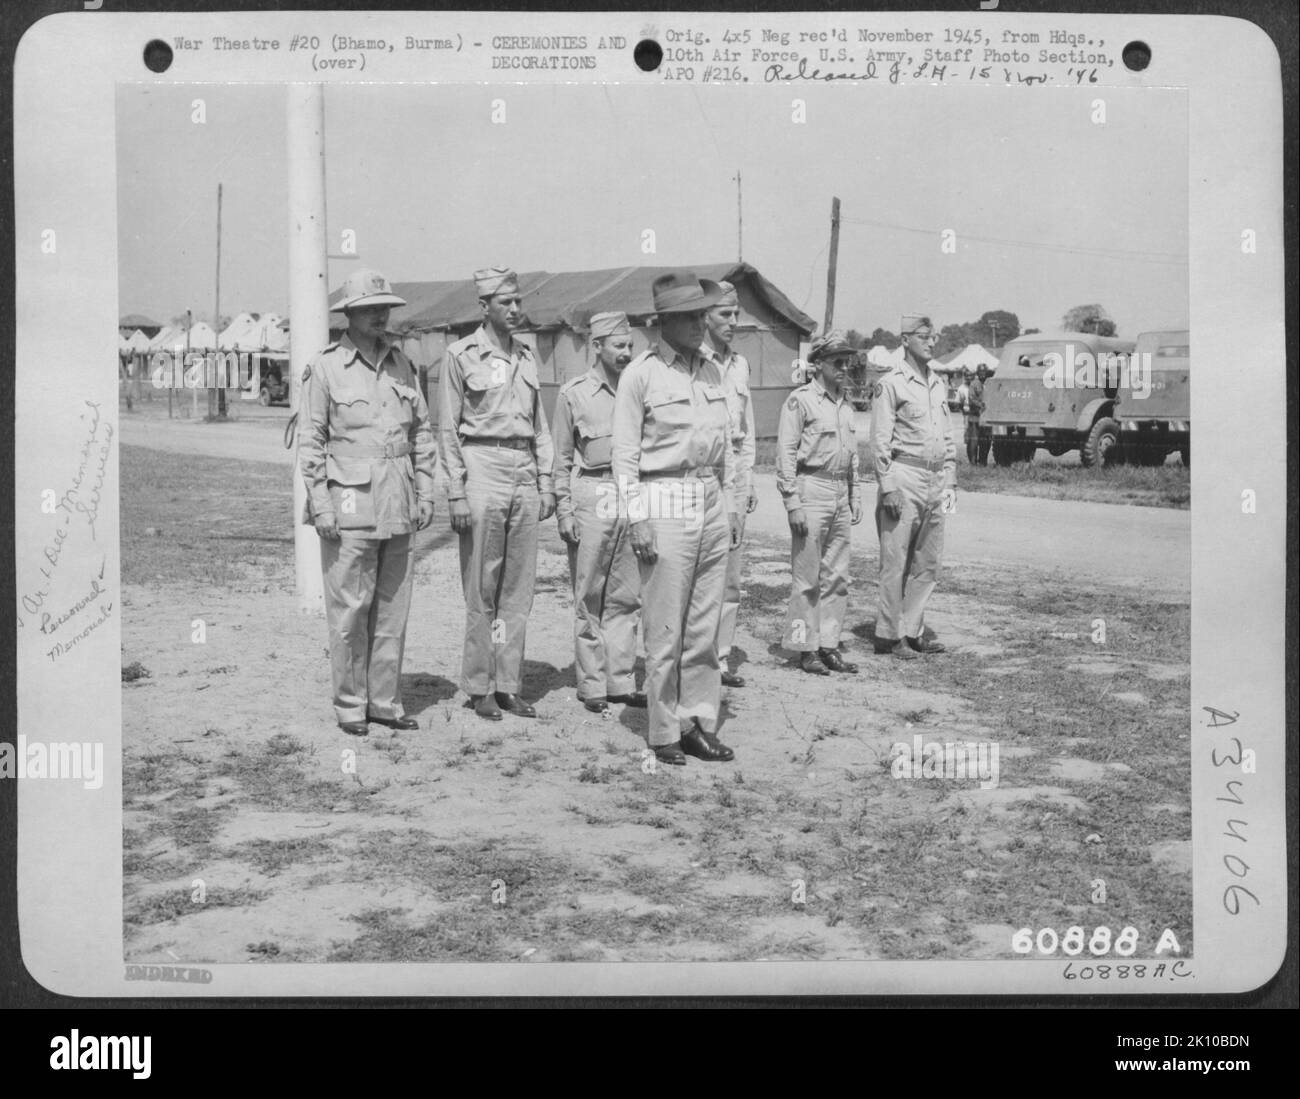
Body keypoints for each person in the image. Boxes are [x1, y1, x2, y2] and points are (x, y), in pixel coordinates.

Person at [298, 268, 437, 735]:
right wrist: (321, 505)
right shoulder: (325, 367)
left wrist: (425, 491)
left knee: (392, 607)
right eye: (372, 309)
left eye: (386, 308)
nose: (381, 316)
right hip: (350, 500)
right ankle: (350, 705)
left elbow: (421, 435)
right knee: (350, 608)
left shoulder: (402, 365)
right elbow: (312, 443)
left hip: (398, 498)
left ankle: (384, 701)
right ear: (350, 315)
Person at [611, 271, 741, 766]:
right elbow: (624, 455)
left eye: (699, 314)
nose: (698, 323)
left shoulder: (712, 370)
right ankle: (664, 728)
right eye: (687, 316)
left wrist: (726, 506)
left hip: (707, 492)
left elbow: (725, 448)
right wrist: (637, 518)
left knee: (704, 624)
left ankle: (697, 721)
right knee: (665, 623)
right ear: (664, 321)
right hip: (662, 493)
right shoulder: (640, 374)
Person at [438, 266, 556, 721]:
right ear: (483, 306)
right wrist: (456, 492)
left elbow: (540, 424)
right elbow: (448, 427)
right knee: (482, 586)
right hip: (481, 466)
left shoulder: (527, 356)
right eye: (505, 303)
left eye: (519, 301)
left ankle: (508, 683)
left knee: (518, 589)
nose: (515, 309)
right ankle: (479, 684)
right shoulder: (460, 354)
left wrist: (546, 482)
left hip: (523, 467)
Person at [551, 311, 644, 715]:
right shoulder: (574, 394)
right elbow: (560, 458)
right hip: (592, 489)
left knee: (626, 595)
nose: (626, 353)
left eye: (629, 346)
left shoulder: (638, 389)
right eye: (618, 346)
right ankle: (592, 685)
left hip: (632, 493)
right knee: (589, 593)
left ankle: (620, 681)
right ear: (597, 346)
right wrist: (564, 511)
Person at [868, 313, 957, 659]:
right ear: (905, 340)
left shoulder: (938, 383)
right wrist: (888, 486)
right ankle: (889, 636)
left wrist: (950, 484)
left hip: (936, 480)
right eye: (924, 335)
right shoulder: (891, 383)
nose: (932, 341)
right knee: (895, 560)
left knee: (928, 561)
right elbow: (879, 441)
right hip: (904, 476)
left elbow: (947, 439)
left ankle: (913, 629)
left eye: (934, 335)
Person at [776, 330, 864, 675]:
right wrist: (792, 502)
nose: (844, 368)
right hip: (810, 488)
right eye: (837, 362)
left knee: (838, 576)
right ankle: (804, 647)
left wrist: (855, 494)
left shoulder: (846, 404)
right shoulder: (801, 401)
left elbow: (853, 455)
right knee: (807, 578)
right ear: (818, 365)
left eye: (848, 362)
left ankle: (828, 644)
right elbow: (785, 454)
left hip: (839, 491)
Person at [700, 281, 758, 689]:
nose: (733, 322)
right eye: (725, 314)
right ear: (705, 315)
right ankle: (695, 660)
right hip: (703, 474)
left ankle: (719, 660)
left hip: (734, 473)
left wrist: (747, 482)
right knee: (698, 572)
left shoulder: (739, 365)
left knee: (730, 577)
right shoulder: (692, 363)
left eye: (736, 314)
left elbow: (748, 431)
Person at [966, 364, 991, 465]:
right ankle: (973, 463)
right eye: (981, 372)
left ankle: (983, 462)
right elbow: (971, 399)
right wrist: (981, 405)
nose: (983, 374)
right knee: (973, 442)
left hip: (987, 418)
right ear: (977, 373)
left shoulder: (989, 384)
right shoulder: (974, 384)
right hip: (975, 417)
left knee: (986, 441)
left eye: (984, 372)